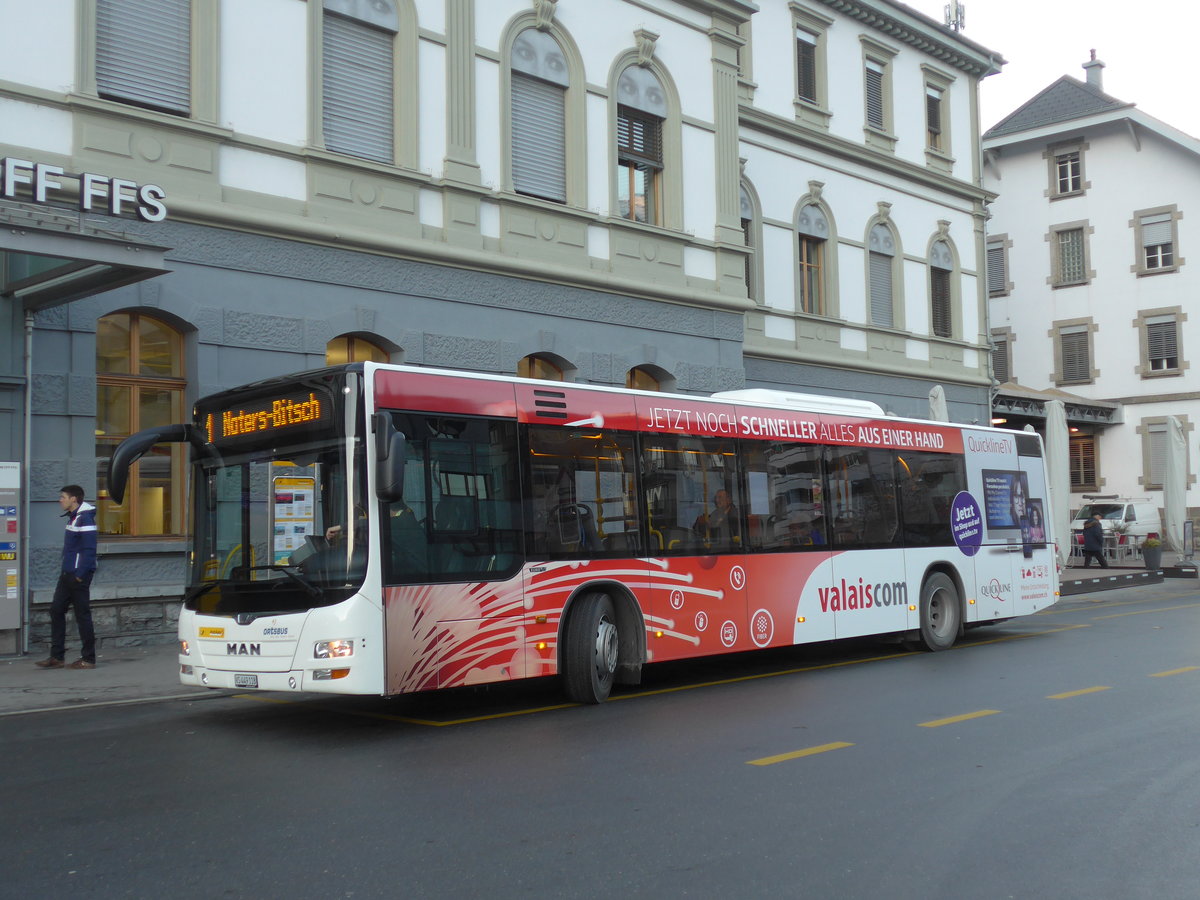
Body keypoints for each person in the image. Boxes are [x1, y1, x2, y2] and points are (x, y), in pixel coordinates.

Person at [36, 485, 98, 669]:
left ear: (74, 499)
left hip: (77, 575)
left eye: (63, 497)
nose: (60, 500)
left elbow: (89, 550)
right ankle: (57, 657)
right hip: (67, 573)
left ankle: (88, 659)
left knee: (82, 616)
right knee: (56, 610)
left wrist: (80, 575)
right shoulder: (74, 517)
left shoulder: (85, 518)